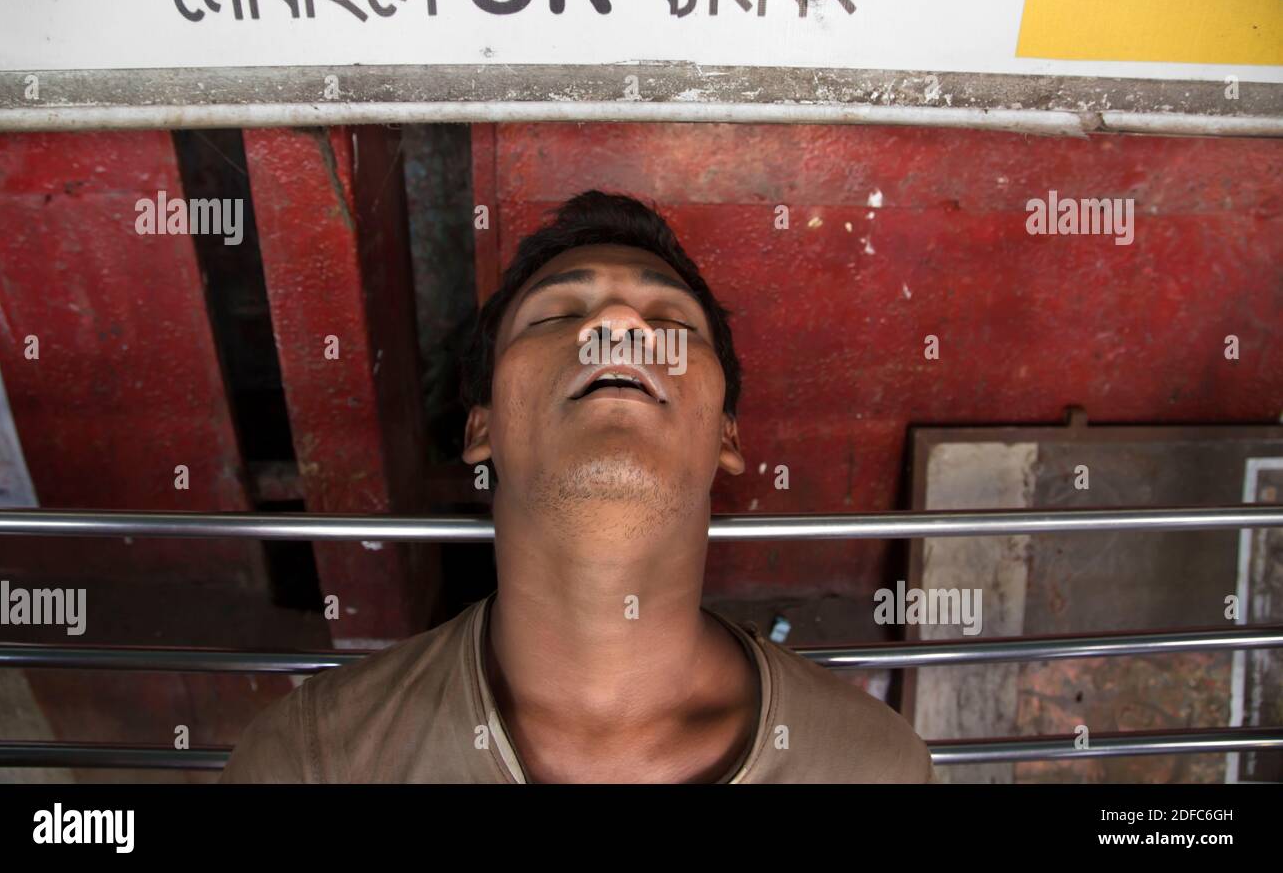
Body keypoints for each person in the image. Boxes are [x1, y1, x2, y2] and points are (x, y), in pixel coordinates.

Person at [221, 190, 935, 783]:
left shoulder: (876, 767)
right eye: (559, 315)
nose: (618, 324)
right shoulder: (311, 763)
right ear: (482, 429)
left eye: (670, 323)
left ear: (727, 436)